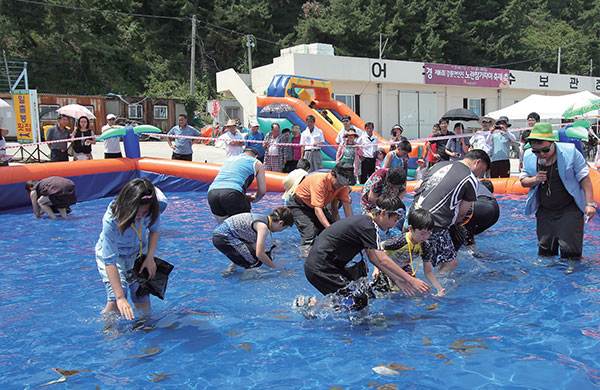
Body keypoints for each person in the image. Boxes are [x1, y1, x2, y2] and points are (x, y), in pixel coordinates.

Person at [295, 195, 431, 313]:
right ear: (383, 213)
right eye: (395, 220)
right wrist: (411, 280)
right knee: (357, 302)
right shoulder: (368, 226)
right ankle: (311, 305)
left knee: (364, 297)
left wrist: (396, 279)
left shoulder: (365, 223)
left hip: (323, 267)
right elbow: (382, 259)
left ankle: (315, 306)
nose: (395, 224)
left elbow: (374, 258)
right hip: (321, 269)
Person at [520, 123, 596, 274]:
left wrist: (590, 204)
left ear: (552, 143)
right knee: (545, 250)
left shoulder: (570, 153)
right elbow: (523, 181)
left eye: (545, 150)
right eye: (537, 151)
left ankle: (572, 274)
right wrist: (535, 179)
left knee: (570, 251)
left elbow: (585, 179)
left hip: (569, 208)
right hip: (545, 210)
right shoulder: (529, 155)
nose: (541, 154)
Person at [410, 149, 490, 273]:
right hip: (433, 223)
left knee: (413, 253)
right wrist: (451, 226)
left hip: (412, 215)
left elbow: (416, 188)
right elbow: (463, 212)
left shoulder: (438, 165)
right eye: (481, 171)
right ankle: (436, 288)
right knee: (451, 262)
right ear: (477, 162)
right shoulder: (470, 179)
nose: (480, 174)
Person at [95, 178, 161, 320]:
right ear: (127, 205)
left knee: (141, 291)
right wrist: (120, 298)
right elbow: (109, 261)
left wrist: (150, 258)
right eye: (137, 213)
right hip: (114, 256)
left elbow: (154, 231)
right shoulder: (111, 219)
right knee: (117, 295)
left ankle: (145, 324)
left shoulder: (152, 209)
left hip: (137, 253)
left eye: (144, 213)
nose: (140, 216)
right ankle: (109, 331)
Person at [371, 207, 445, 297]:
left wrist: (439, 289)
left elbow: (428, 272)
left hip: (404, 269)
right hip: (386, 269)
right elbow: (378, 247)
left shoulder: (425, 246)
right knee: (387, 294)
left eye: (429, 233)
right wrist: (376, 268)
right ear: (410, 228)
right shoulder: (400, 241)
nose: (425, 237)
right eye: (422, 233)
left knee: (417, 292)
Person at [287, 162, 355, 257]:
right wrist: (331, 230)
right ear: (332, 175)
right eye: (340, 182)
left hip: (316, 207)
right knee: (309, 231)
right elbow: (318, 210)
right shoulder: (319, 182)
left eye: (344, 183)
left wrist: (351, 228)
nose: (341, 186)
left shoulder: (342, 186)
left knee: (336, 230)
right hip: (299, 206)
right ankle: (306, 256)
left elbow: (346, 206)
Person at [212, 207, 294, 273]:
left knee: (249, 255)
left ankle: (230, 271)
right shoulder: (263, 227)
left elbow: (250, 247)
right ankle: (247, 283)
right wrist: (275, 267)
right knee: (254, 263)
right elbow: (260, 254)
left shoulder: (260, 218)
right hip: (224, 237)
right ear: (280, 223)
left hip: (220, 236)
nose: (281, 231)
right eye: (284, 228)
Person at [207, 147, 266, 224]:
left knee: (223, 228)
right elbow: (262, 191)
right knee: (244, 229)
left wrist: (243, 196)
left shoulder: (229, 160)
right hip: (233, 193)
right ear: (256, 156)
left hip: (212, 193)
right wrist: (255, 198)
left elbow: (228, 183)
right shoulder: (257, 163)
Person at [454, 179, 500, 256]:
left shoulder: (462, 180)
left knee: (455, 227)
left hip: (477, 206)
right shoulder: (479, 186)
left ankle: (449, 260)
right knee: (468, 231)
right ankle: (474, 253)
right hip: (495, 210)